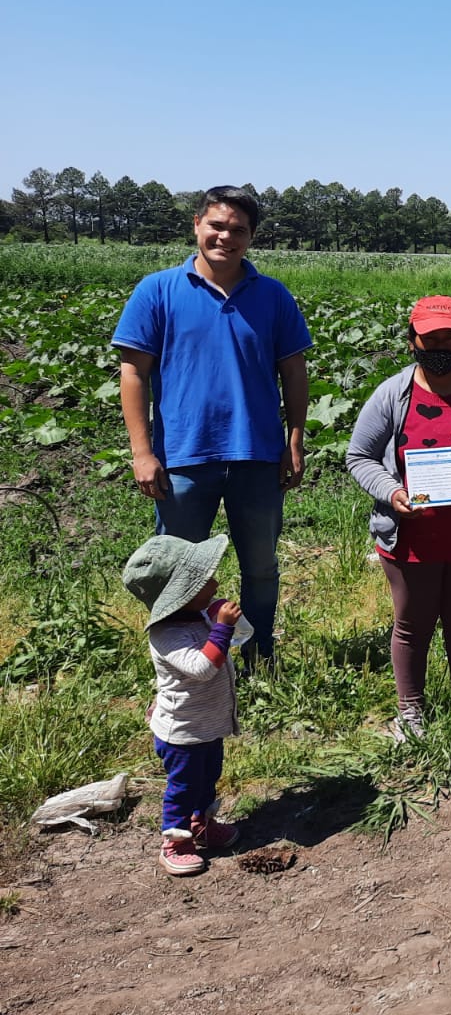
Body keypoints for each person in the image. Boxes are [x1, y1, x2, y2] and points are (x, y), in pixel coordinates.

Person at [112, 185, 312, 666]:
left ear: (252, 237)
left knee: (261, 568)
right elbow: (134, 372)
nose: (226, 236)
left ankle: (258, 655)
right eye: (217, 225)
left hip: (258, 455)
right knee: (178, 569)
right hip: (183, 458)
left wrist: (295, 439)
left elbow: (294, 372)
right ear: (197, 226)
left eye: (238, 229)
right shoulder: (157, 290)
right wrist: (142, 452)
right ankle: (183, 663)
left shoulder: (272, 295)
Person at [346, 296, 451, 739]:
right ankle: (411, 711)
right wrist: (393, 491)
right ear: (412, 341)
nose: (442, 346)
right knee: (412, 622)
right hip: (412, 533)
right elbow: (360, 456)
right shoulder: (392, 395)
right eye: (432, 338)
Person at [123, 533, 244, 876]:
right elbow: (204, 668)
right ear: (183, 594)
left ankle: (201, 822)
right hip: (182, 734)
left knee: (208, 778)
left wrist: (219, 623)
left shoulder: (197, 617)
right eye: (204, 581)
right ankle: (175, 842)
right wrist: (222, 627)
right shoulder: (167, 635)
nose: (215, 582)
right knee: (183, 787)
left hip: (206, 725)